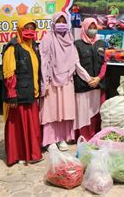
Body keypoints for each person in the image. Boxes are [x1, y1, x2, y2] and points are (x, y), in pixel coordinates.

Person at [39, 12, 97, 151]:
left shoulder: (70, 40)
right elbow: (43, 62)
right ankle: (50, 140)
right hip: (52, 81)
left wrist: (88, 78)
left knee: (65, 111)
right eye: (58, 21)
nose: (61, 24)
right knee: (50, 111)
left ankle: (62, 139)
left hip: (67, 81)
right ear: (53, 23)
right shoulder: (47, 39)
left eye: (63, 21)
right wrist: (44, 83)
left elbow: (76, 63)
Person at [2, 17, 43, 166]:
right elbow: (9, 73)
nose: (30, 31)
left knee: (32, 126)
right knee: (18, 128)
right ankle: (18, 155)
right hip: (18, 97)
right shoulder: (13, 47)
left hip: (31, 94)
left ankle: (32, 154)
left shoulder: (33, 46)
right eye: (26, 28)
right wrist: (12, 95)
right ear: (19, 29)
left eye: (32, 28)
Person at [74, 18, 107, 140]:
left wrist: (98, 78)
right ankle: (84, 137)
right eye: (90, 27)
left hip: (98, 84)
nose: (92, 30)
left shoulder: (101, 43)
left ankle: (95, 136)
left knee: (96, 111)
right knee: (83, 113)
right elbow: (76, 64)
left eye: (94, 27)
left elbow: (104, 62)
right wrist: (89, 79)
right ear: (84, 28)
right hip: (83, 85)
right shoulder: (77, 44)